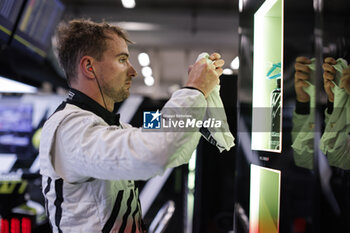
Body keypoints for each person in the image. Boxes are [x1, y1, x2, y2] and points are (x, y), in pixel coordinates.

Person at [39, 19, 225, 233]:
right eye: (122, 59)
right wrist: (194, 90)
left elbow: (176, 150)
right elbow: (156, 152)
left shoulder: (112, 125)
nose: (133, 71)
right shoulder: (70, 128)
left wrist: (202, 94)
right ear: (89, 67)